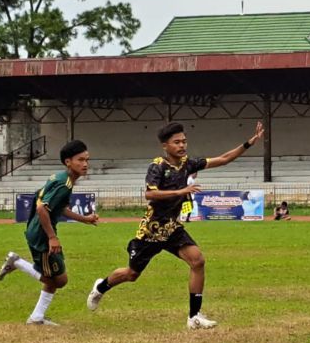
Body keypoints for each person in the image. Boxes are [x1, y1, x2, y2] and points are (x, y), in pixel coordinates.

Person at [86, 119, 264, 329]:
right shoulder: (158, 166)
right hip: (152, 229)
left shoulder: (188, 163)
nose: (182, 145)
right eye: (177, 142)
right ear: (165, 146)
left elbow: (223, 159)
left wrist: (249, 143)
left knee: (197, 261)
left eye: (184, 141)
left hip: (172, 228)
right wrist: (180, 192)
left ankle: (194, 316)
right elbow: (150, 193)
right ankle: (101, 286)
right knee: (131, 274)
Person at [0, 140, 99, 325]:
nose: (85, 164)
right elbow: (42, 210)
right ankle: (17, 262)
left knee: (55, 277)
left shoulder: (60, 178)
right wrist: (52, 237)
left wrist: (85, 219)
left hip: (39, 231)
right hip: (42, 236)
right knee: (59, 280)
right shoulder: (64, 184)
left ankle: (36, 317)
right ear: (68, 162)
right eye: (80, 160)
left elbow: (56, 207)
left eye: (87, 160)